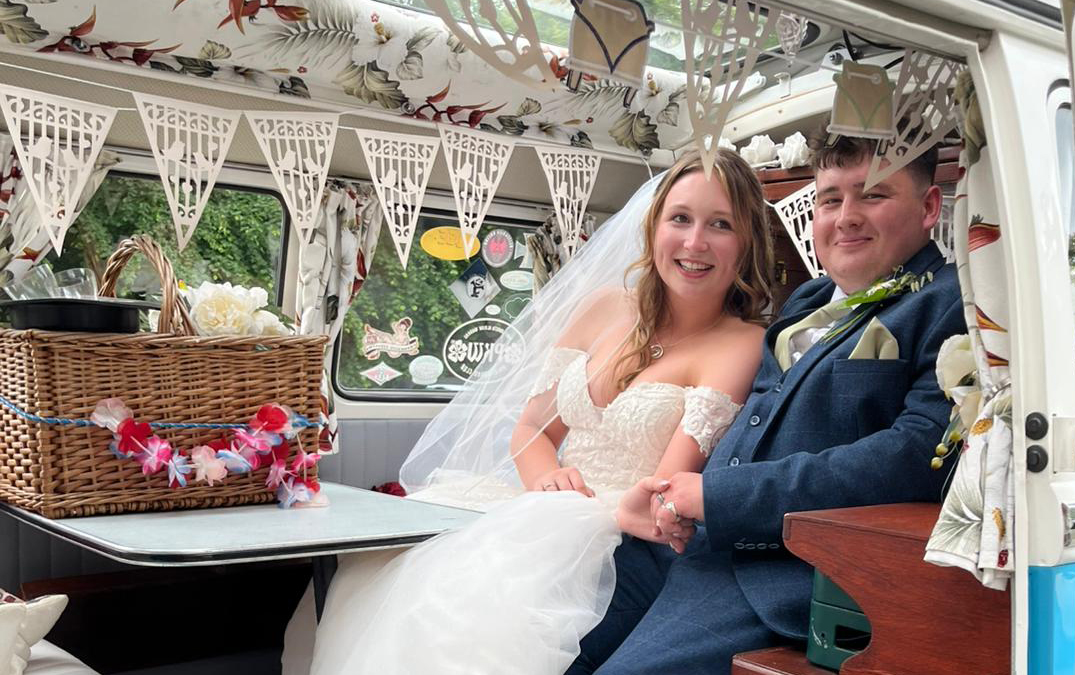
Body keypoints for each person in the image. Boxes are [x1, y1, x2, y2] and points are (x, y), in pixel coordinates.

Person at [281, 148, 776, 674]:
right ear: (655, 227)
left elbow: (663, 489)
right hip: (539, 504)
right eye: (681, 218)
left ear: (745, 245)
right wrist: (547, 481)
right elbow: (530, 428)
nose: (695, 242)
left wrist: (593, 510)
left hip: (623, 527)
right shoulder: (604, 307)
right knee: (386, 571)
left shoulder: (742, 345)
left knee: (482, 619)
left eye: (720, 225)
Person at [567, 131, 968, 674]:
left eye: (872, 194)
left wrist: (720, 496)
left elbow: (915, 455)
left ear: (928, 207)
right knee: (533, 644)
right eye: (830, 199)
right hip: (686, 546)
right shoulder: (805, 300)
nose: (846, 216)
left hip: (775, 572)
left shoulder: (950, 303)